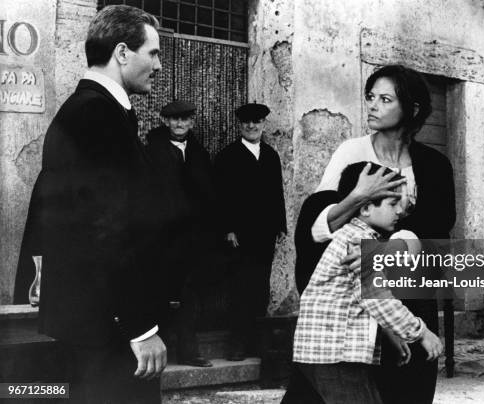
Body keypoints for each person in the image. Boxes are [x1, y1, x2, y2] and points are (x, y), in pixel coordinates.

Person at [21, 5, 166, 403]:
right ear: (122, 53)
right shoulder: (98, 116)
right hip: (109, 332)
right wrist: (141, 328)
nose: (158, 65)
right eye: (152, 53)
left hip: (95, 324)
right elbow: (107, 231)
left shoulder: (89, 111)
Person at [289, 64, 454, 404]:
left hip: (406, 292)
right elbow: (316, 224)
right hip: (350, 299)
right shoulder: (351, 153)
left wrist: (396, 246)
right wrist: (359, 196)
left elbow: (439, 229)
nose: (373, 106)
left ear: (413, 108)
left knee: (406, 385)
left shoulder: (434, 165)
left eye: (385, 99)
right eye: (370, 97)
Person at [292, 161, 442, 404]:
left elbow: (361, 298)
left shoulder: (358, 236)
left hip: (327, 350)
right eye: (393, 204)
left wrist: (390, 332)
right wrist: (421, 333)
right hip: (335, 352)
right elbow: (379, 299)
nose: (399, 211)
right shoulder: (357, 241)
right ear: (364, 208)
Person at [145, 100, 216, 367]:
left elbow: (209, 195)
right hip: (161, 237)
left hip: (192, 239)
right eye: (174, 120)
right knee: (159, 292)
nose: (179, 124)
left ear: (192, 122)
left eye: (185, 120)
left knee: (190, 295)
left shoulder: (199, 153)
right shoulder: (152, 150)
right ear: (166, 122)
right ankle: (158, 353)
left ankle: (189, 352)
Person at [214, 102, 287, 360]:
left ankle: (257, 342)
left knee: (260, 289)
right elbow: (220, 198)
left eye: (257, 122)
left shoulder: (270, 155)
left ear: (263, 125)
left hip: (264, 235)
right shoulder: (227, 156)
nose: (252, 126)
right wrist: (228, 229)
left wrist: (280, 226)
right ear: (240, 126)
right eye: (247, 123)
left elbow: (277, 193)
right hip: (239, 237)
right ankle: (237, 344)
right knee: (239, 289)